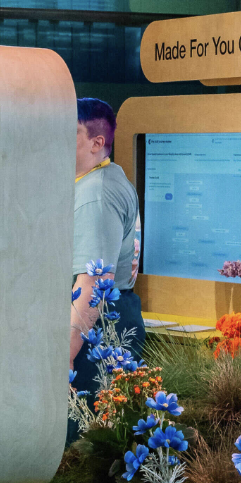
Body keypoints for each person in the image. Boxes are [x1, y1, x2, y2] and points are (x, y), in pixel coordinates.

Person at [70, 98, 145, 415]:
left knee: (85, 434)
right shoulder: (105, 178)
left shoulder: (96, 193)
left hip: (96, 330)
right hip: (106, 322)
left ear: (96, 143)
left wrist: (65, 354)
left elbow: (94, 281)